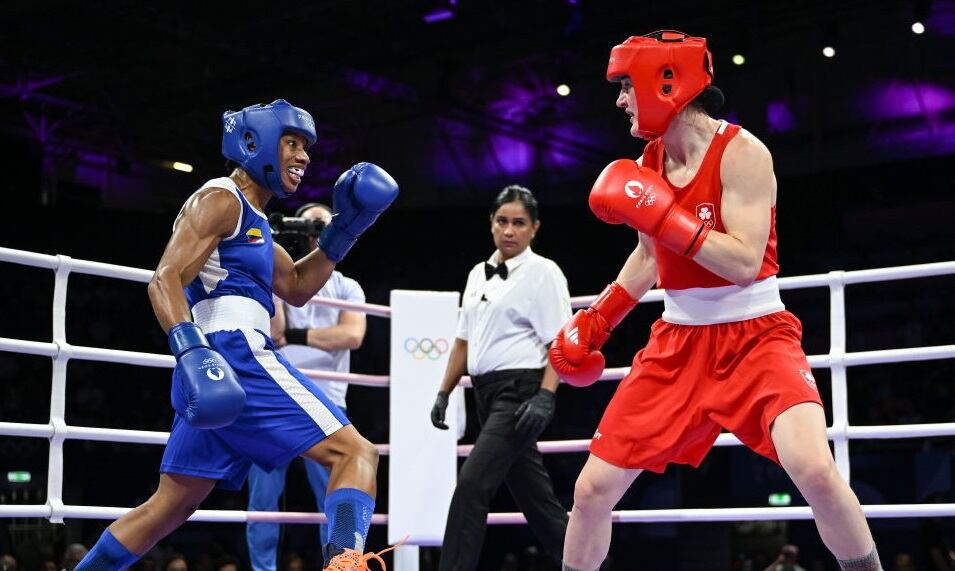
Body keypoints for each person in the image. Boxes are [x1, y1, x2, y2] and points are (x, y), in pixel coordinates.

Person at [549, 31, 883, 570]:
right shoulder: (649, 162)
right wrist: (599, 318)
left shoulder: (744, 153)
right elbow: (650, 256)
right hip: (677, 343)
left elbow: (744, 261)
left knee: (816, 471)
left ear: (665, 82)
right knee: (591, 492)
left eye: (626, 87)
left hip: (757, 336)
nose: (619, 101)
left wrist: (666, 217)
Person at [74, 99, 399, 571]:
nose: (303, 157)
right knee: (357, 454)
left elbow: (298, 287)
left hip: (219, 362)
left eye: (306, 147)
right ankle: (346, 564)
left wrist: (346, 229)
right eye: (292, 142)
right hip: (233, 352)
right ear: (255, 143)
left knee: (168, 507)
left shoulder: (256, 221)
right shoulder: (220, 198)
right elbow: (164, 278)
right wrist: (192, 353)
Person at [430, 185, 571, 571]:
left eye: (519, 223)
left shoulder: (544, 273)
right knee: (536, 502)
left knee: (472, 486)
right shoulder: (478, 273)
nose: (509, 230)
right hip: (485, 394)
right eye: (503, 221)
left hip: (520, 392)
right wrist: (444, 391)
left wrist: (545, 395)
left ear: (534, 228)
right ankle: (591, 563)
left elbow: (560, 343)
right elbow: (463, 338)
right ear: (491, 223)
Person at [247, 202, 367, 570]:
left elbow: (351, 335)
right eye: (308, 227)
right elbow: (274, 331)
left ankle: (337, 567)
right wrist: (274, 251)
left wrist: (296, 336)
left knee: (335, 499)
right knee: (262, 503)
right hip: (278, 398)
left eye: (321, 226)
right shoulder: (280, 277)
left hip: (327, 403)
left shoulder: (348, 287)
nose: (314, 234)